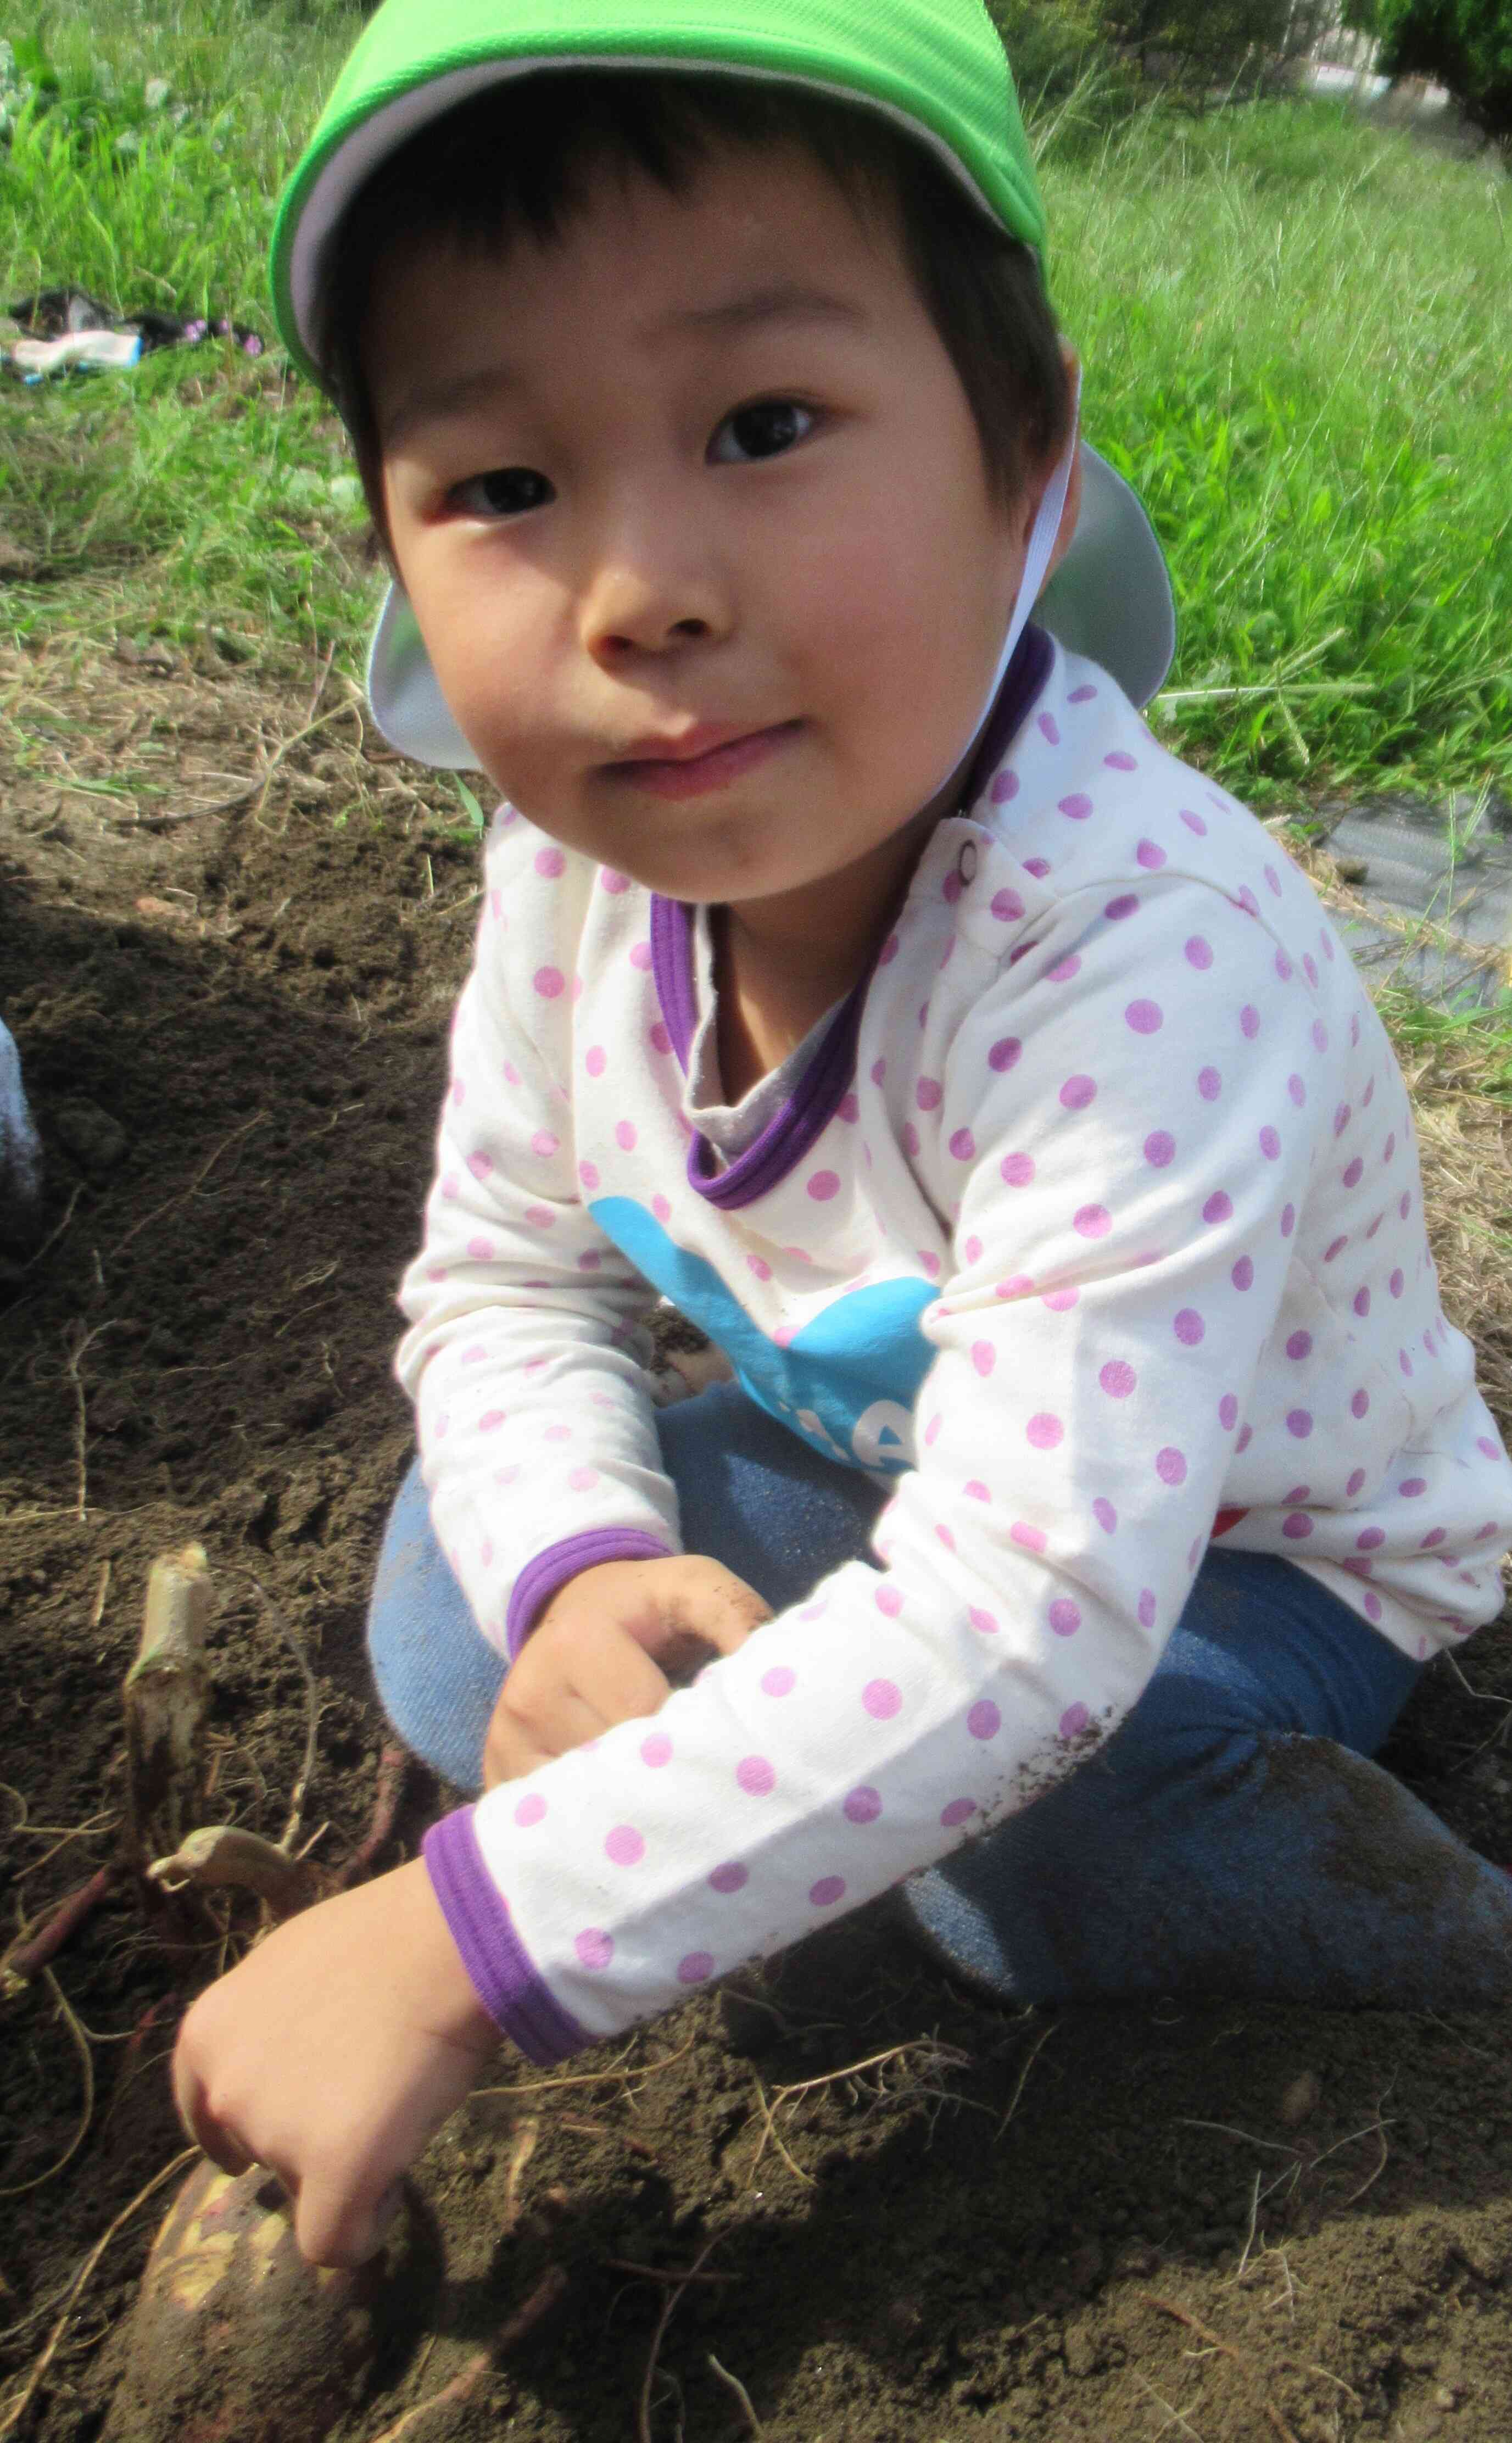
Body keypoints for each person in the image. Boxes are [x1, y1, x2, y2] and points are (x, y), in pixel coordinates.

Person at [175, 0, 1512, 2270]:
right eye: (501, 485)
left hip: (1247, 1557)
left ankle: (1428, 1934)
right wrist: (581, 1574)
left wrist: (469, 1939)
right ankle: (795, 1797)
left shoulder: (1130, 946)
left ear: (1027, 457)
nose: (638, 591)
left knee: (1022, 1841)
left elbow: (1034, 1607)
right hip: (930, 1480)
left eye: (763, 423)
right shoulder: (575, 882)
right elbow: (503, 1280)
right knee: (445, 1590)